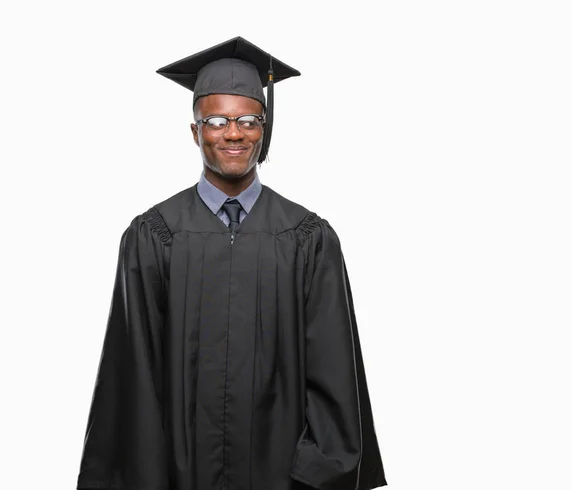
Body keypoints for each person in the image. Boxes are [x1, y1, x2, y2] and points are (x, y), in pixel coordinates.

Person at [76, 36, 387, 490]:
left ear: (265, 128)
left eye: (248, 120)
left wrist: (310, 477)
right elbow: (133, 377)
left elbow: (334, 379)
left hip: (282, 479)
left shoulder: (308, 238)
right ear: (195, 130)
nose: (234, 133)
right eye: (217, 121)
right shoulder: (153, 236)